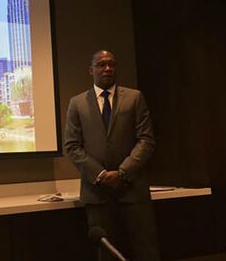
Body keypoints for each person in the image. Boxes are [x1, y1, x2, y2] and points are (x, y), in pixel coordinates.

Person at [64, 50, 160, 261]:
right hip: (97, 194)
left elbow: (146, 140)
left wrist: (122, 173)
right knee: (106, 254)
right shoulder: (77, 103)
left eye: (111, 64)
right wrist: (100, 175)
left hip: (133, 191)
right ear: (91, 70)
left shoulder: (135, 98)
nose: (107, 68)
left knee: (146, 251)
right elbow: (72, 146)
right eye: (101, 65)